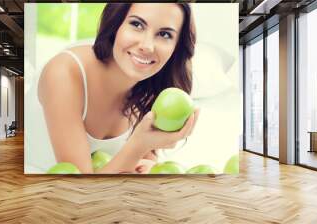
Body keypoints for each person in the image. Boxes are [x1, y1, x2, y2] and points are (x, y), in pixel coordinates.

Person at [38, 3, 199, 174]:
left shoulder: (152, 90)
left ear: (176, 48)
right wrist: (139, 145)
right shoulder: (64, 72)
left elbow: (142, 164)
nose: (147, 46)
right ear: (116, 24)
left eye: (164, 34)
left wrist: (149, 166)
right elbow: (81, 190)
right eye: (137, 24)